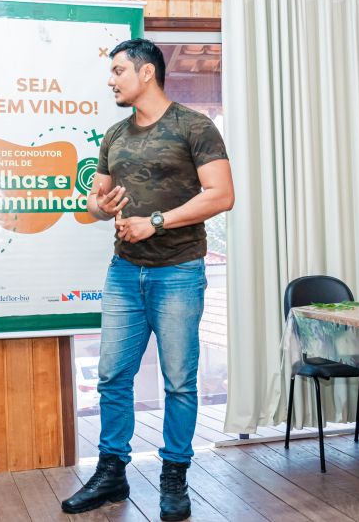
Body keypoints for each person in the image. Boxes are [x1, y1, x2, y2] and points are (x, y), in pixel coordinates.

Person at [61, 38, 234, 521]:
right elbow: (95, 202)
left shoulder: (194, 126)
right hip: (124, 272)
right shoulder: (114, 135)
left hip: (178, 271)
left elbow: (221, 195)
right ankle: (111, 473)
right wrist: (101, 207)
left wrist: (155, 222)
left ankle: (174, 476)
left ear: (146, 73)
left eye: (118, 70)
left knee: (179, 382)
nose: (111, 80)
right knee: (113, 376)